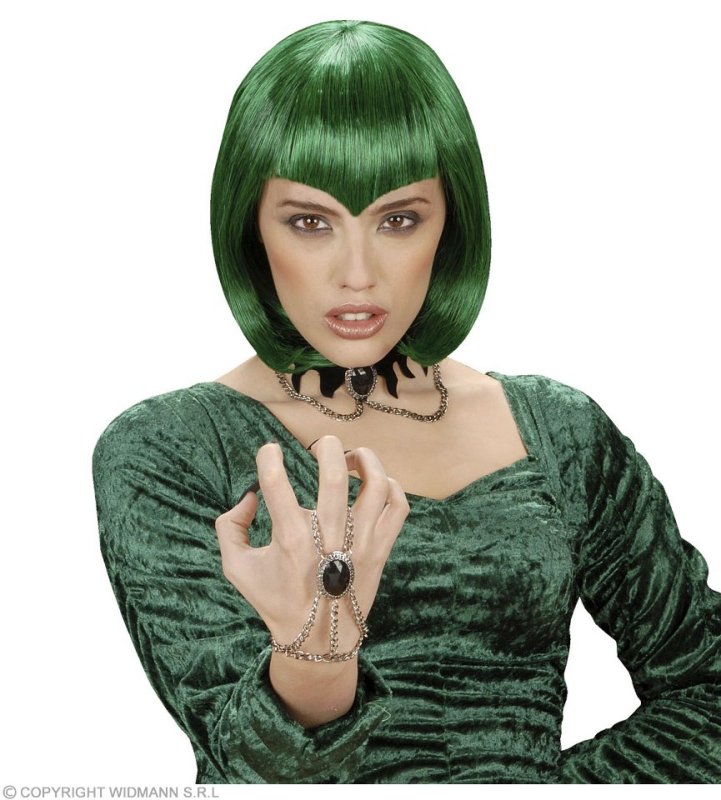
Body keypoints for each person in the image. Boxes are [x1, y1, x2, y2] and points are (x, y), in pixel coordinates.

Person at [91, 19, 721, 784]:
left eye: (397, 220)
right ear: (250, 227)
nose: (357, 274)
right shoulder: (170, 446)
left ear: (449, 222)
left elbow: (706, 688)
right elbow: (248, 765)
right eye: (310, 222)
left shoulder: (561, 433)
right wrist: (317, 652)